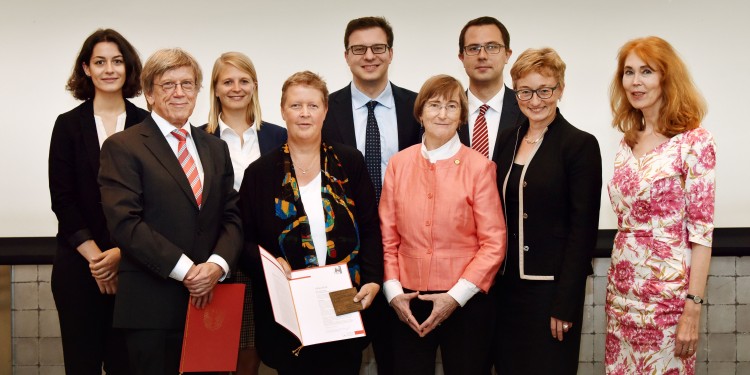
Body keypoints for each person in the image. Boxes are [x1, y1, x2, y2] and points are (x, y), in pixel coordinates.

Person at [99, 48, 243, 374]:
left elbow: (231, 216)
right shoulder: (123, 147)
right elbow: (125, 223)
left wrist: (217, 266)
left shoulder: (215, 147)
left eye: (188, 84)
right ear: (149, 93)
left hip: (210, 303)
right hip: (152, 309)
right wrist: (187, 271)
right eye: (168, 85)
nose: (179, 93)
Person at [239, 71, 383, 374]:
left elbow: (370, 226)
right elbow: (244, 240)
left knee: (342, 365)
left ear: (325, 110)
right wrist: (273, 263)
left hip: (344, 295)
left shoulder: (349, 162)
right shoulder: (260, 173)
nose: (304, 114)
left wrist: (372, 279)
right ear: (282, 110)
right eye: (295, 106)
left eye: (313, 106)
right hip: (289, 303)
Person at [379, 74, 507, 375]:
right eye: (434, 105)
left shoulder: (480, 168)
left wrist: (455, 297)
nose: (442, 113)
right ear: (420, 112)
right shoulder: (398, 164)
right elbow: (387, 236)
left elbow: (494, 243)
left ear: (462, 116)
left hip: (465, 301)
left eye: (452, 106)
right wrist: (394, 292)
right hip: (408, 300)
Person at [605, 36, 715, 374]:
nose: (635, 82)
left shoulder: (695, 142)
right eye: (628, 72)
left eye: (647, 71)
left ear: (666, 78)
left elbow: (701, 235)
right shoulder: (627, 143)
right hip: (622, 295)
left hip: (668, 299)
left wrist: (692, 309)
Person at [492, 48, 602, 374]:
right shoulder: (508, 139)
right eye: (525, 91)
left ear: (560, 89)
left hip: (551, 293)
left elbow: (583, 231)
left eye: (545, 90)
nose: (535, 100)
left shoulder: (579, 144)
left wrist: (565, 303)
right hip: (505, 288)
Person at [321, 16, 421, 374]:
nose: (369, 56)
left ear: (391, 53)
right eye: (359, 49)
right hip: (344, 263)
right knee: (341, 357)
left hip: (404, 259)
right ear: (346, 56)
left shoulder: (419, 109)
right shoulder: (324, 110)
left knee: (400, 359)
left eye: (378, 48)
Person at [48, 28, 147, 375]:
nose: (109, 69)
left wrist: (121, 255)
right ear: (86, 69)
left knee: (129, 367)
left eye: (117, 61)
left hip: (135, 269)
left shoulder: (147, 124)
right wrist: (97, 261)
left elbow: (155, 201)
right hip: (79, 269)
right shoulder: (68, 125)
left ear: (128, 67)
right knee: (82, 366)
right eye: (100, 61)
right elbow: (62, 199)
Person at [201, 51, 287, 375]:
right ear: (216, 88)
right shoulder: (199, 138)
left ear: (254, 85)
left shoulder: (278, 136)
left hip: (263, 257)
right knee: (213, 350)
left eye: (244, 80)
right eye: (228, 81)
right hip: (216, 257)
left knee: (252, 353)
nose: (236, 88)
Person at [457, 16, 525, 159]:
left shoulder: (527, 108)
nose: (482, 55)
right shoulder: (445, 112)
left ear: (507, 55)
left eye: (492, 47)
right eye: (473, 48)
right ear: (462, 58)